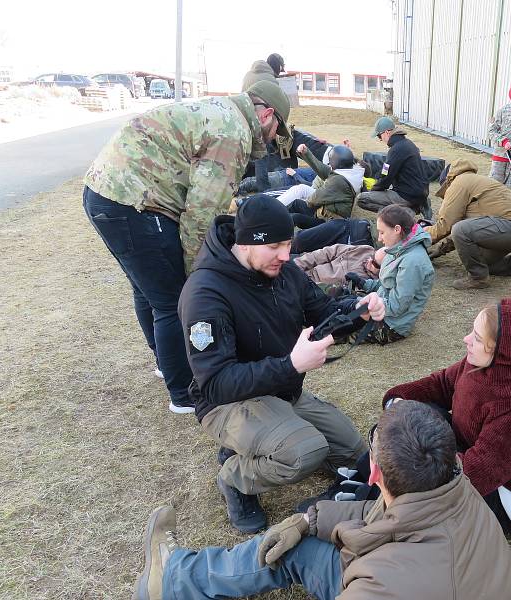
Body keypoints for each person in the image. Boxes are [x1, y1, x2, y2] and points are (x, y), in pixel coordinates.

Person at [132, 401, 511, 600]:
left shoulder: (381, 589)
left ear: (375, 475)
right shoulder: (451, 487)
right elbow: (387, 517)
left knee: (287, 553)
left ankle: (171, 580)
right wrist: (308, 519)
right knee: (301, 536)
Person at [178, 195, 386, 532]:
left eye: (288, 244)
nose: (286, 255)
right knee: (306, 452)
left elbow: (322, 313)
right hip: (227, 403)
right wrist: (290, 365)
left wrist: (358, 311)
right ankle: (234, 475)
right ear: (247, 243)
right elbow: (215, 383)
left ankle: (269, 440)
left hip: (282, 390)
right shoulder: (205, 293)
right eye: (275, 246)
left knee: (354, 453)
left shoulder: (285, 271)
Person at [83, 80, 290, 414]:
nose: (272, 139)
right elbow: (201, 218)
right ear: (266, 115)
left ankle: (168, 364)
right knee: (173, 299)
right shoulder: (233, 133)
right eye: (277, 129)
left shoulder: (222, 111)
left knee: (148, 290)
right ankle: (183, 393)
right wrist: (203, 279)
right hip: (133, 200)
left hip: (105, 190)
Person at [383, 299, 511, 536]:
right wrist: (399, 400)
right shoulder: (485, 364)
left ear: (506, 354)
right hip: (480, 453)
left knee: (415, 461)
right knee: (414, 422)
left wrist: (407, 463)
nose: (467, 339)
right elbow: (442, 384)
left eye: (478, 338)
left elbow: (474, 474)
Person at [424, 159, 511, 290]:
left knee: (460, 229)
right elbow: (462, 230)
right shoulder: (474, 182)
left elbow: (448, 225)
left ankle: (478, 278)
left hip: (509, 227)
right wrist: (439, 250)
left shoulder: (459, 183)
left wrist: (422, 239)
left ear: (448, 181)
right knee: (479, 262)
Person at [345, 205, 434, 344]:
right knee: (341, 302)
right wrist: (364, 283)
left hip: (391, 325)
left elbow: (397, 305)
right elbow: (388, 283)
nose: (379, 239)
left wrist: (365, 307)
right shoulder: (399, 248)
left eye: (382, 232)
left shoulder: (413, 261)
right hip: (382, 310)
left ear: (397, 229)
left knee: (340, 328)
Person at [355, 116, 430, 216]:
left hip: (407, 195)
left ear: (387, 132)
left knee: (362, 199)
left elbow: (386, 177)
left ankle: (407, 212)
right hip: (419, 192)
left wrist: (373, 191)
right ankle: (417, 205)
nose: (380, 140)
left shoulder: (396, 149)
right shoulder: (408, 144)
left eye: (379, 136)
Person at [281, 144, 365, 228]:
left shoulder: (339, 181)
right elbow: (323, 169)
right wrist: (306, 153)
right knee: (296, 204)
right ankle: (274, 215)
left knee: (295, 217)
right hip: (327, 215)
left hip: (330, 223)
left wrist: (305, 199)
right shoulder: (349, 173)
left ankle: (274, 222)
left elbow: (313, 200)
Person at [293, 244, 383, 286]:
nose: (369, 260)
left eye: (374, 263)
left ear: (383, 271)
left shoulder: (369, 285)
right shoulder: (366, 250)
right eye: (373, 255)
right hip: (305, 269)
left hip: (310, 288)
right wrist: (297, 265)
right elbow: (327, 252)